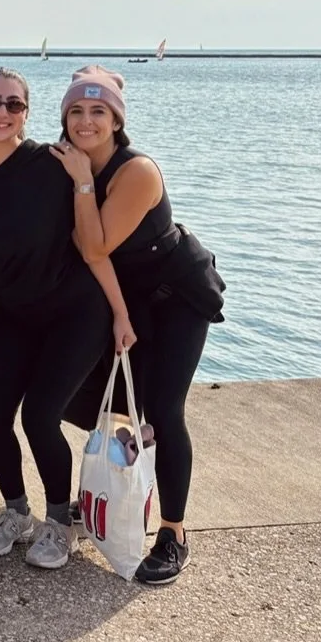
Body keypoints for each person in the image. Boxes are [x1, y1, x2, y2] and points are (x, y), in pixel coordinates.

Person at [0, 67, 135, 571]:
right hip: (13, 317)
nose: (2, 113)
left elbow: (93, 247)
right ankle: (16, 512)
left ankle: (59, 522)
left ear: (27, 113)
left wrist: (119, 312)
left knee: (40, 416)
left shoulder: (55, 164)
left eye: (14, 104)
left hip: (75, 312)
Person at [53, 65, 225, 585]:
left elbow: (95, 246)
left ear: (116, 121)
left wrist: (84, 183)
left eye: (97, 111)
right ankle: (119, 486)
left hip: (176, 300)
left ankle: (173, 533)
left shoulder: (137, 172)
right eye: (76, 111)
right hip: (122, 301)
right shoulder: (65, 163)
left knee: (163, 411)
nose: (85, 121)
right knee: (85, 402)